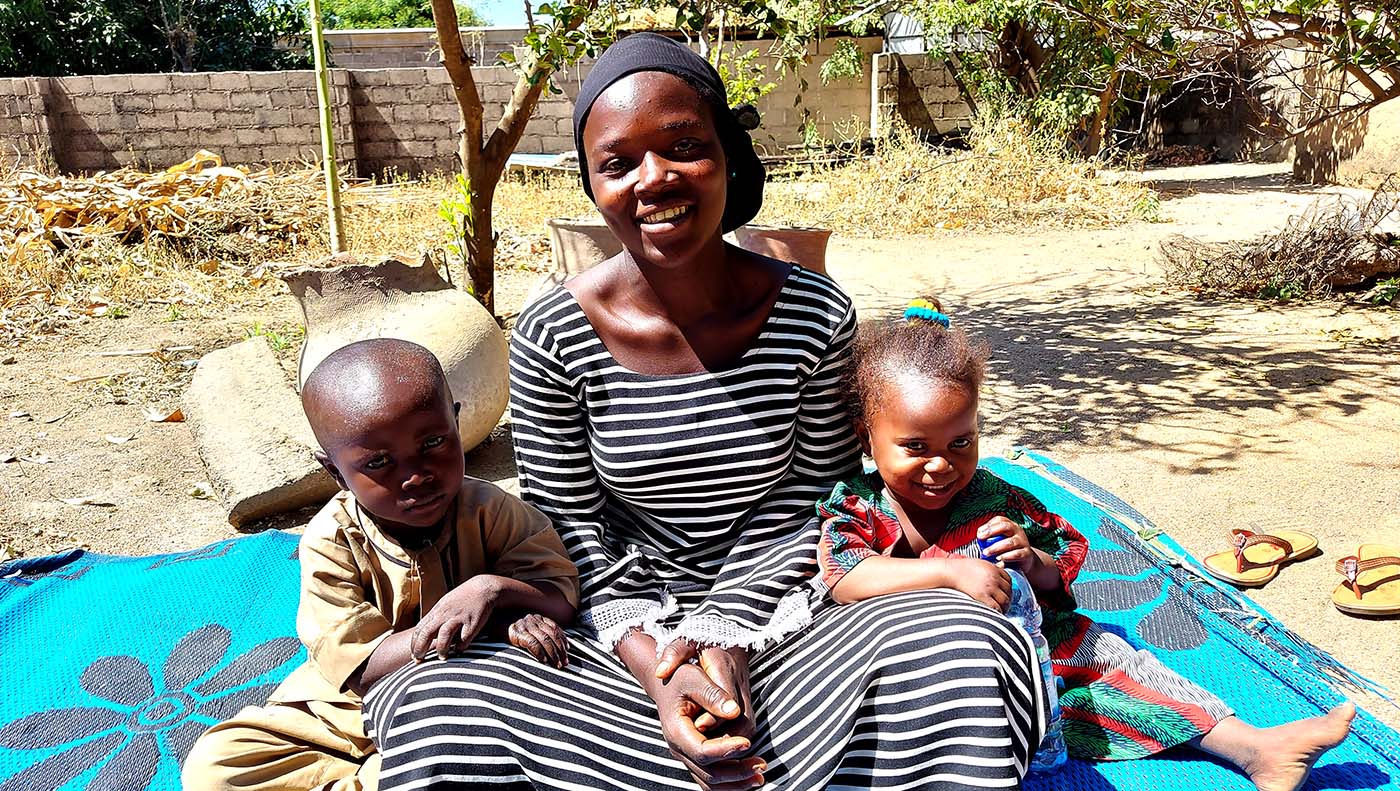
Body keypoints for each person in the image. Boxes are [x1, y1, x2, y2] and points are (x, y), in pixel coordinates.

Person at [362, 33, 1049, 791]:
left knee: (970, 642)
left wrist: (727, 642)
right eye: (618, 163)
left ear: (726, 153)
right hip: (619, 641)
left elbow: (814, 503)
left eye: (684, 145)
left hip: (792, 617)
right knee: (430, 700)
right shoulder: (553, 332)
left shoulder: (813, 315)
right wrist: (665, 672)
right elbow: (571, 531)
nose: (654, 179)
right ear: (592, 185)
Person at [816, 299, 1357, 791]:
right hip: (928, 662)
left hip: (1037, 648)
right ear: (867, 438)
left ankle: (1256, 747)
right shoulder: (860, 507)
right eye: (914, 447)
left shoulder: (997, 499)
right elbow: (845, 579)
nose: (941, 465)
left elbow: (1061, 570)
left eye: (962, 442)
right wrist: (950, 574)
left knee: (1118, 665)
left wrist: (1031, 559)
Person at [181, 338, 580, 791]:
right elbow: (360, 668)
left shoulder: (492, 509)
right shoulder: (332, 540)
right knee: (216, 766)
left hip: (459, 704)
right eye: (378, 462)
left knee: (461, 751)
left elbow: (562, 601)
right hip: (344, 712)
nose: (416, 475)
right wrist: (471, 619)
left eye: (433, 442)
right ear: (334, 471)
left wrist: (493, 590)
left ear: (457, 421)